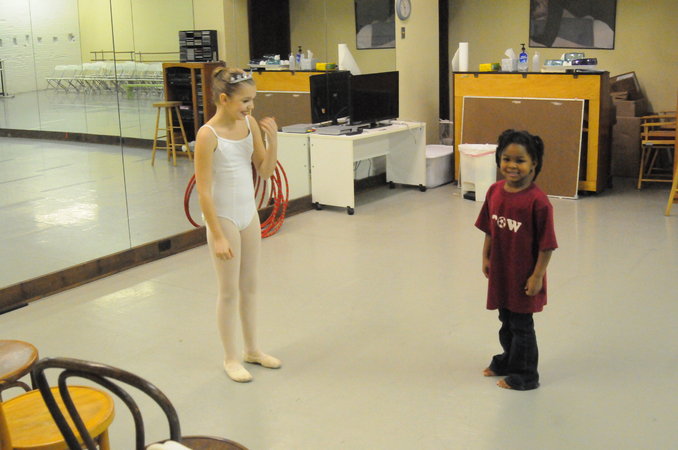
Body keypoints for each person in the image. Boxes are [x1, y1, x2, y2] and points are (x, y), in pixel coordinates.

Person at [194, 66, 281, 383]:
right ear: (224, 99)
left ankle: (252, 350)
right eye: (245, 101)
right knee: (229, 291)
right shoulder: (207, 135)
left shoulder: (249, 124)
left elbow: (265, 171)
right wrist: (217, 235)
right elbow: (204, 191)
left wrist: (273, 141)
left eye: (252, 100)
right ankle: (230, 357)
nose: (250, 107)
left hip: (248, 214)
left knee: (250, 286)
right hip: (224, 218)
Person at [474, 129, 558, 390]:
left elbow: (547, 245)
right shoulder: (494, 191)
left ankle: (526, 375)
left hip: (524, 276)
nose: (512, 165)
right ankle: (509, 359)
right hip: (501, 272)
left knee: (522, 326)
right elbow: (490, 228)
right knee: (506, 320)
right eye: (506, 159)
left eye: (520, 160)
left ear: (534, 163)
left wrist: (537, 276)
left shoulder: (538, 202)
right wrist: (485, 256)